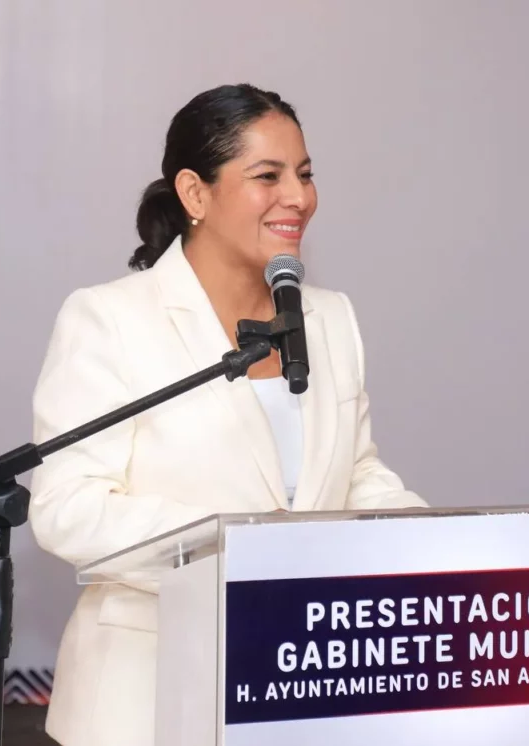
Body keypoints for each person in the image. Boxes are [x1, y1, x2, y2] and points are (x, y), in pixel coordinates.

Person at [27, 83, 428, 746]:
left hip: (295, 692)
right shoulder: (109, 319)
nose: (297, 197)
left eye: (304, 174)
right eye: (266, 176)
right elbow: (68, 507)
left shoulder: (330, 318)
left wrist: (429, 540)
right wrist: (236, 545)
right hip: (145, 704)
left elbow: (355, 473)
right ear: (195, 194)